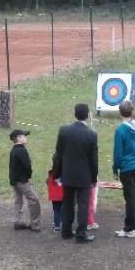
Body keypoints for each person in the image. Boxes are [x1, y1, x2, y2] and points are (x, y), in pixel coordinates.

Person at [53, 103, 98, 243]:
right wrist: (94, 177)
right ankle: (81, 234)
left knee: (67, 204)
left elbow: (58, 155)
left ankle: (66, 231)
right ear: (87, 115)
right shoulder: (91, 135)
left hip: (68, 175)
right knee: (83, 205)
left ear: (75, 114)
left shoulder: (64, 131)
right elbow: (93, 160)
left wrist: (57, 174)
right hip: (83, 176)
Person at [112, 100, 135, 238]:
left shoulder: (120, 130)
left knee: (130, 197)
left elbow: (118, 152)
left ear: (120, 113)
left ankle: (129, 228)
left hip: (127, 168)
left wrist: (116, 168)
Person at [9, 129, 42, 232]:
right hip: (22, 181)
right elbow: (27, 166)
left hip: (15, 180)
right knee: (34, 200)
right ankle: (35, 224)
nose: (26, 137)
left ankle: (17, 221)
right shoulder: (21, 150)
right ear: (18, 138)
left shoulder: (14, 149)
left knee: (18, 200)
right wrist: (28, 176)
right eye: (24, 136)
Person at [46, 154, 63, 232]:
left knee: (56, 210)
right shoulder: (65, 173)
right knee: (64, 209)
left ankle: (57, 226)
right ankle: (63, 223)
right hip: (64, 195)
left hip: (54, 196)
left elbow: (47, 182)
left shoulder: (51, 173)